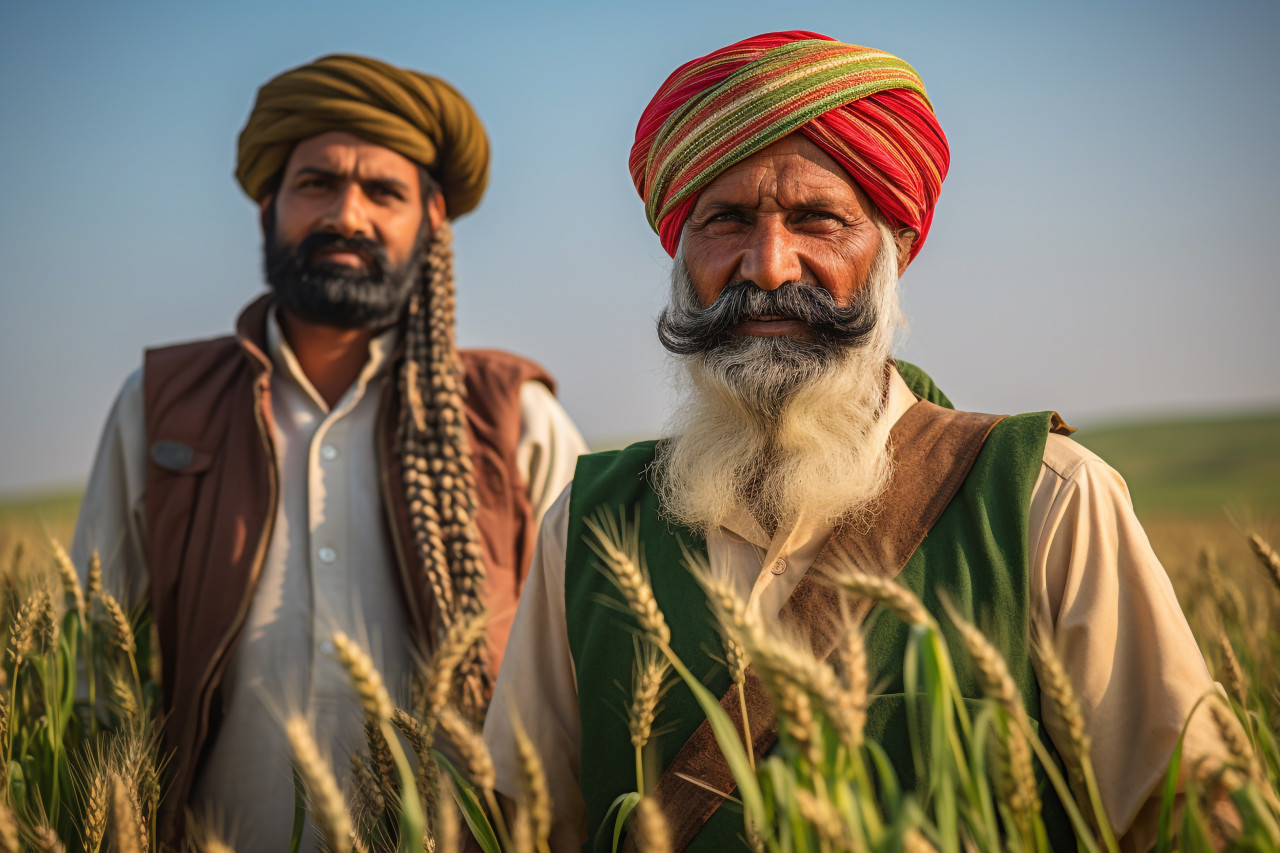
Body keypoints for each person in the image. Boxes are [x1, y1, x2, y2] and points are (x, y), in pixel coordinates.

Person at [484, 32, 1227, 853]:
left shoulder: (1049, 499)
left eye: (818, 220)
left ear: (889, 251)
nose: (767, 266)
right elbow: (519, 830)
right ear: (679, 250)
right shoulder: (585, 526)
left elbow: (1195, 822)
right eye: (725, 220)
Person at [71, 54, 588, 848]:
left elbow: (582, 692)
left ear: (433, 218)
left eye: (383, 191)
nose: (347, 214)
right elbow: (88, 672)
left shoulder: (517, 417)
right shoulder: (160, 404)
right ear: (267, 207)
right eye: (316, 183)